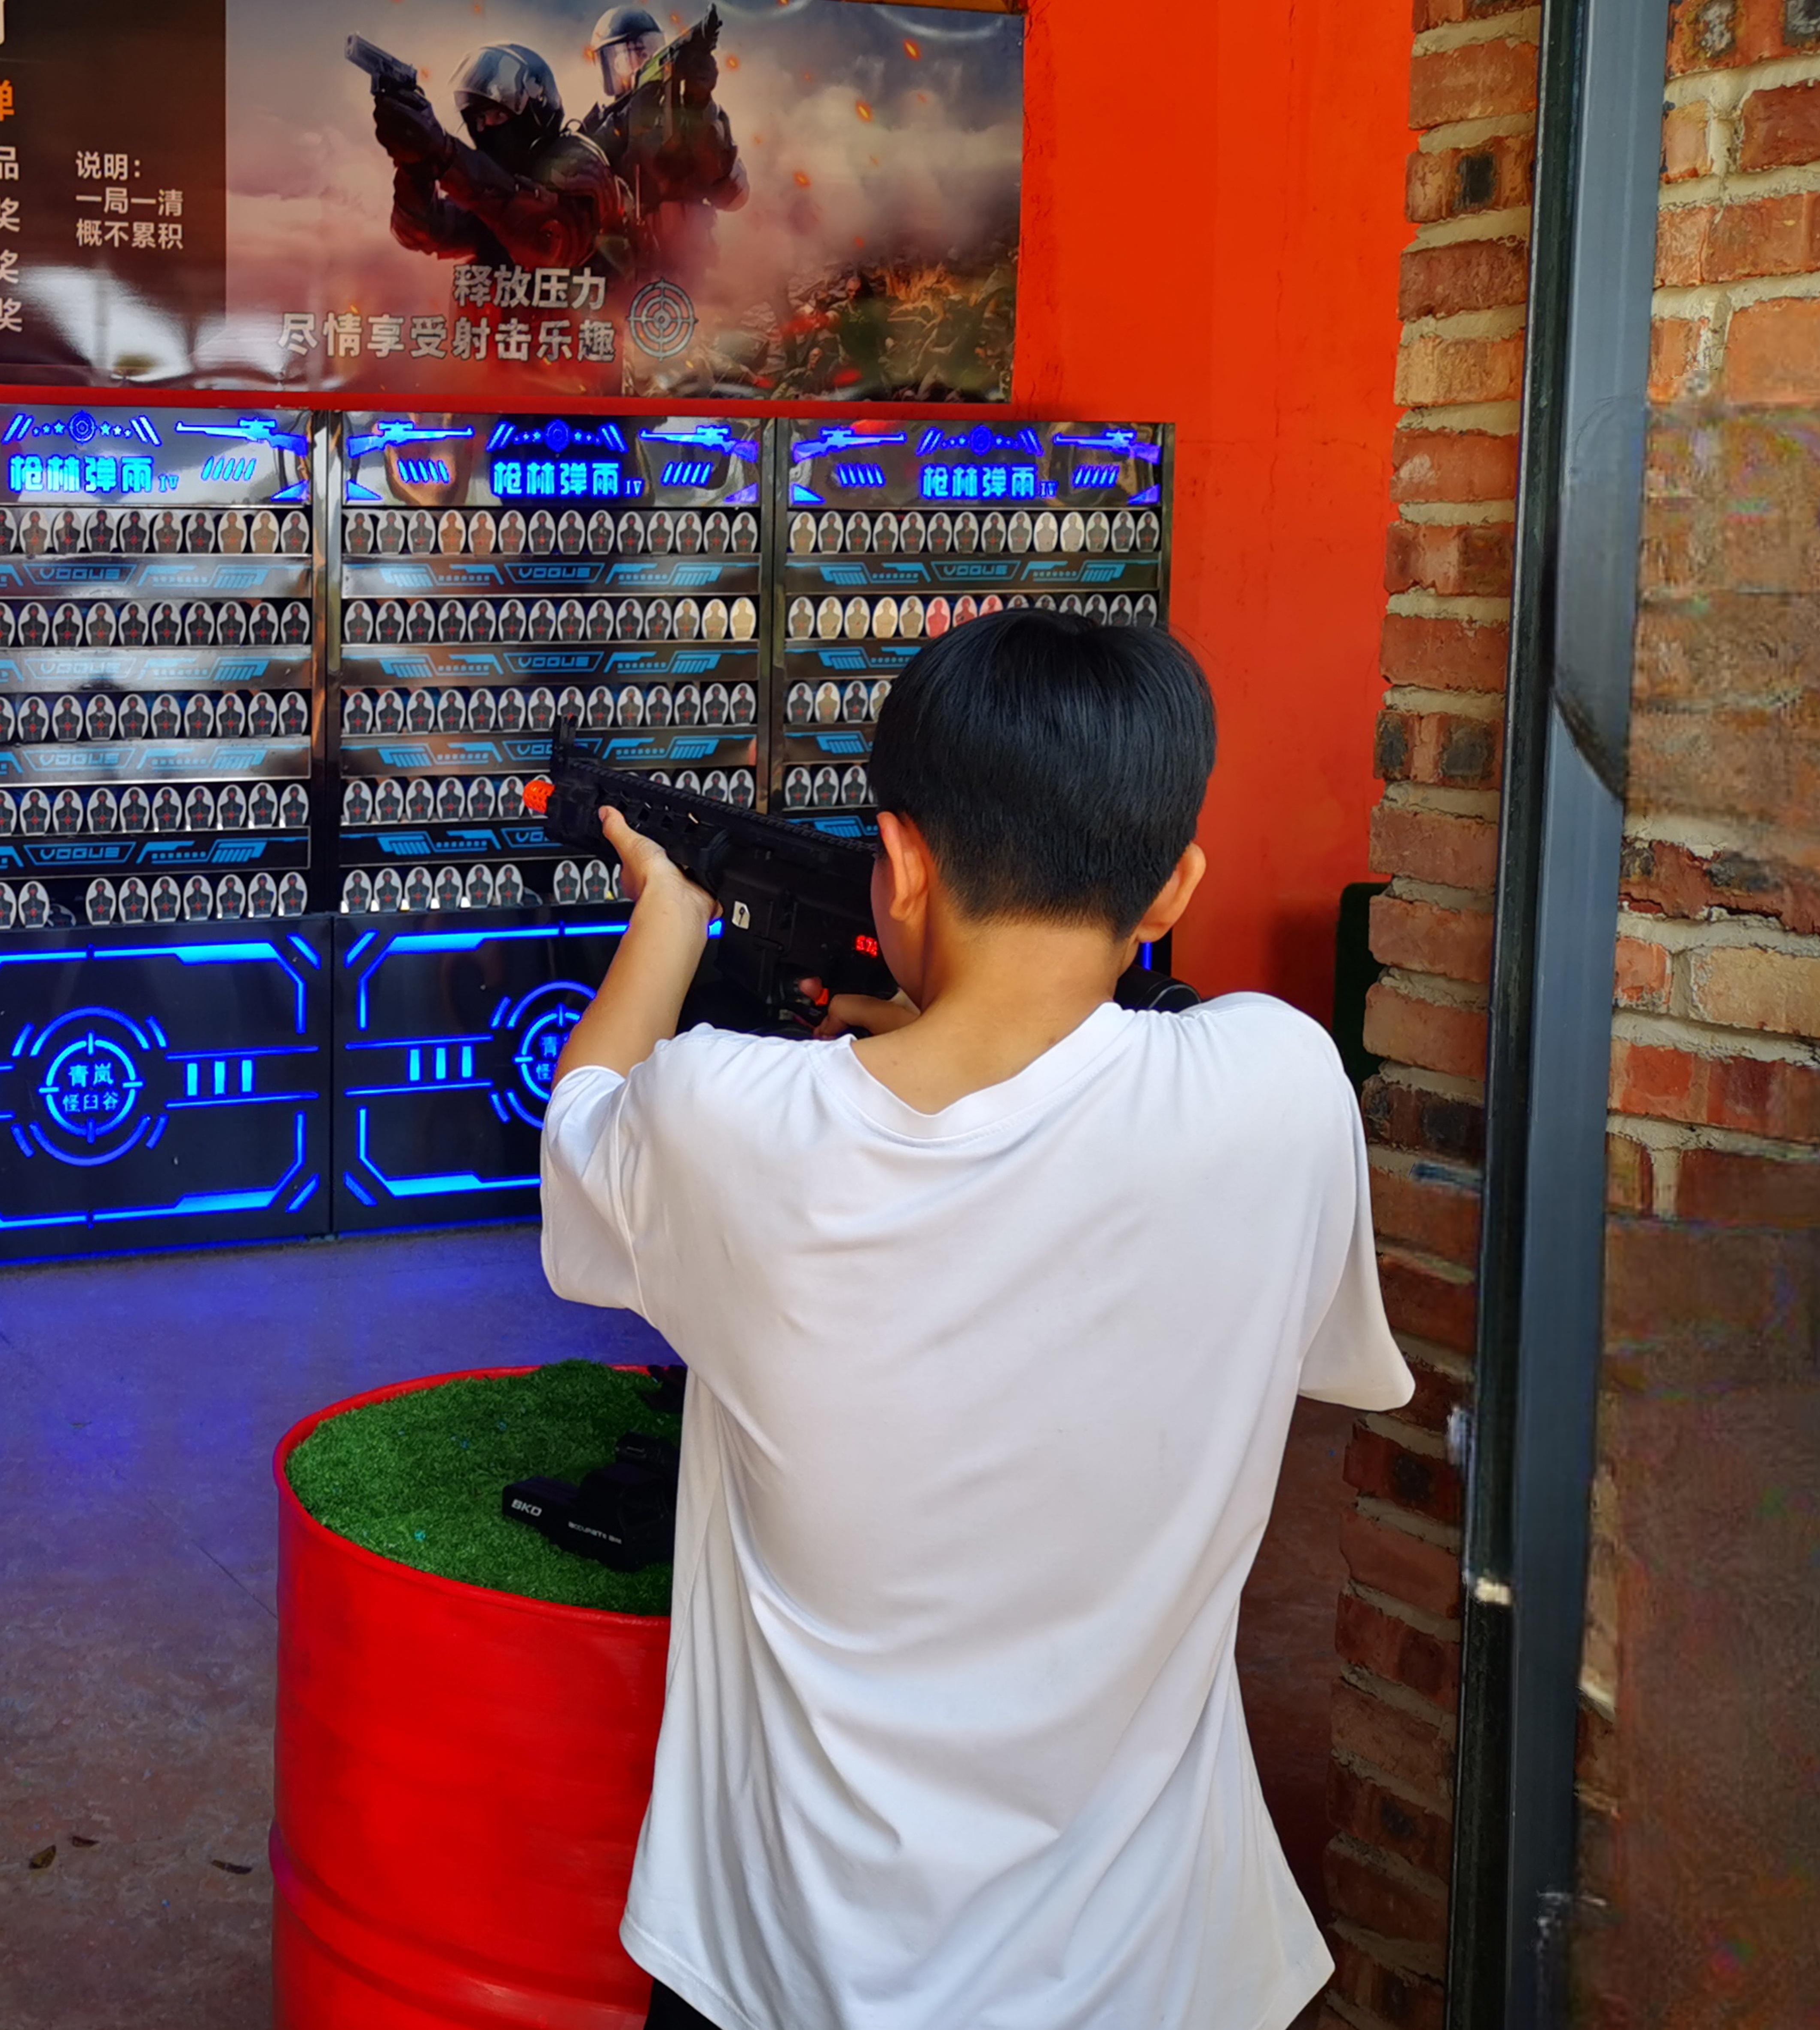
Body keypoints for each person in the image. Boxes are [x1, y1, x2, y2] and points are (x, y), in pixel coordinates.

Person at [541, 609, 1413, 2030]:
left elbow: (584, 1126)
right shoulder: (1283, 1084)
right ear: (1170, 886)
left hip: (786, 1971)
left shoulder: (727, 1122)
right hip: (1157, 1971)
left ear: (897, 862)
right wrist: (925, 1031)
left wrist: (671, 917)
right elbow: (1072, 1111)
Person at [373, 41, 622, 278]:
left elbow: (550, 244)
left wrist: (445, 153)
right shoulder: (493, 188)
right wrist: (415, 165)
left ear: (536, 109)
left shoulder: (580, 163)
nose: (483, 129)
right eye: (477, 119)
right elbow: (423, 233)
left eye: (498, 115)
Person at [577, 5, 748, 285]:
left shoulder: (691, 113)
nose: (641, 64)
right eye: (627, 59)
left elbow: (734, 196)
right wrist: (624, 126)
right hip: (617, 281)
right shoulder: (600, 125)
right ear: (608, 66)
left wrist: (699, 104)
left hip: (689, 278)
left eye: (648, 53)